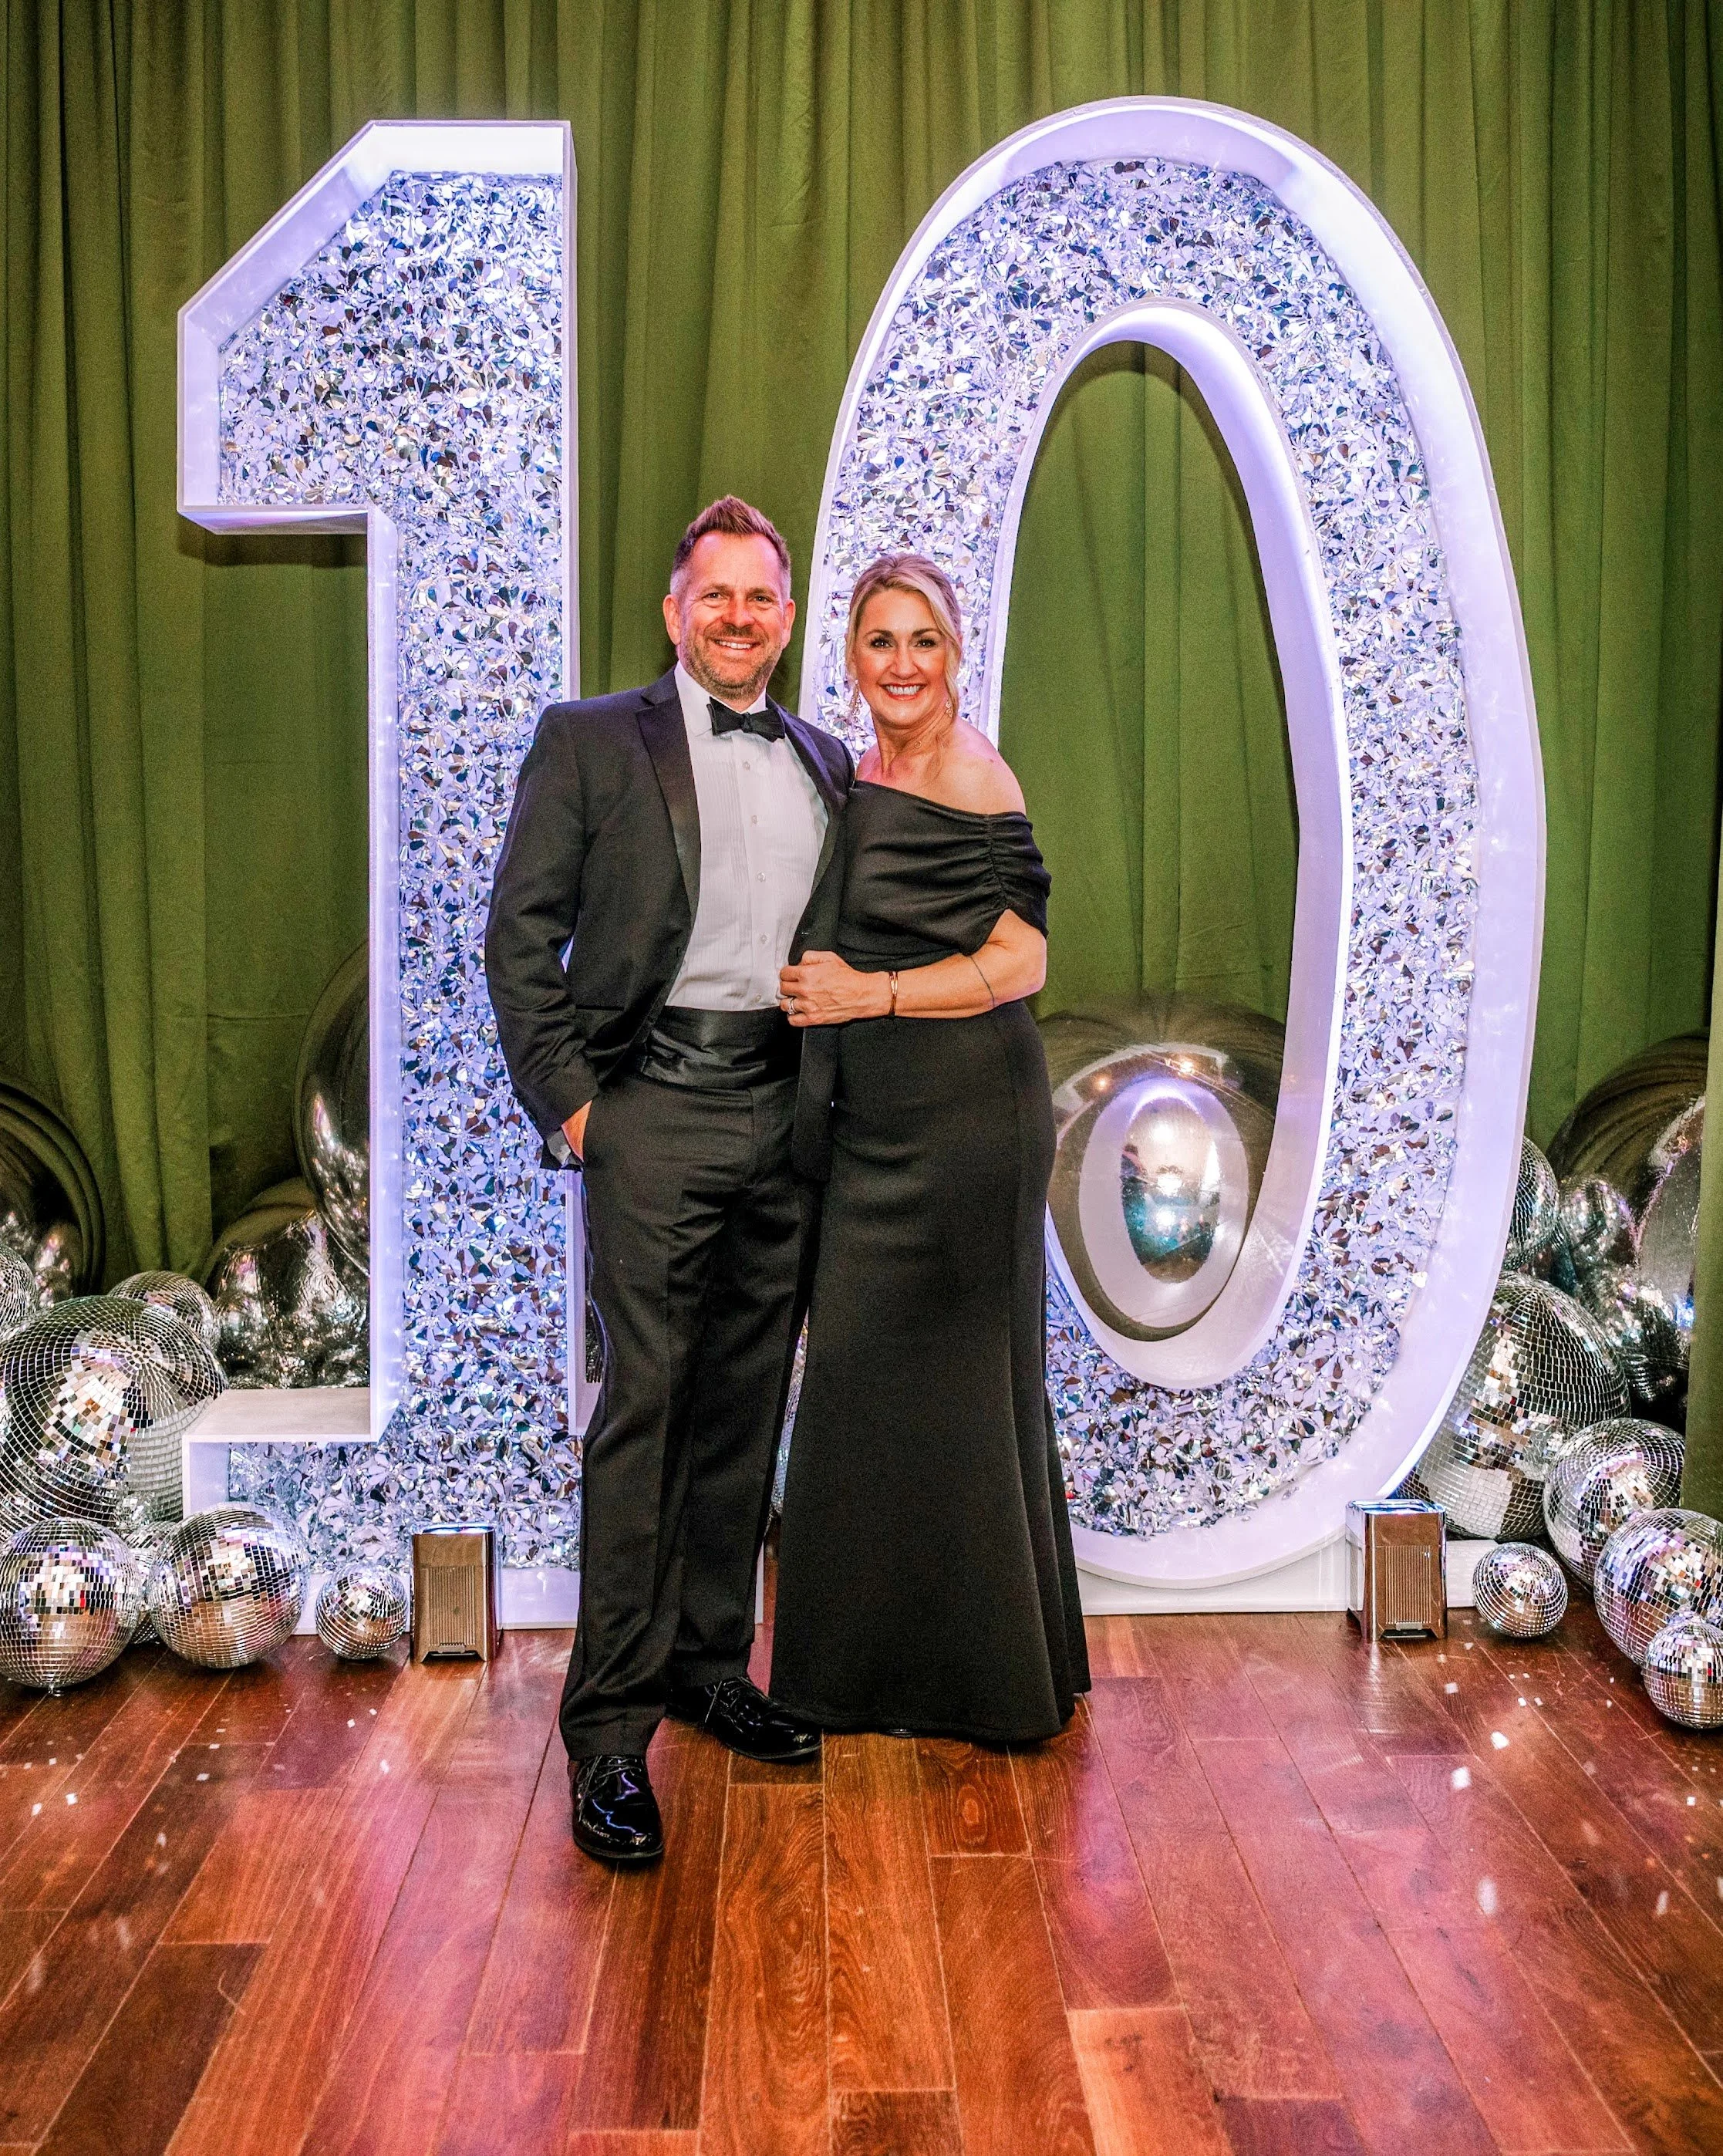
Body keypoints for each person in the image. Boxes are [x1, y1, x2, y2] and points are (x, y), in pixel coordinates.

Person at [484, 497, 851, 1863]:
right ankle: (607, 1737)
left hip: (782, 1114)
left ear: (788, 616)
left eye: (761, 599)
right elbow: (520, 938)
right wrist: (579, 1112)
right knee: (642, 1416)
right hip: (649, 1113)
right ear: (674, 610)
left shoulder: (827, 759)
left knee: (743, 1405)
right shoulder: (589, 741)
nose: (739, 619)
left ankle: (707, 1668)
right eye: (717, 597)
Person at [770, 554, 1089, 1743]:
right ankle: (853, 1677)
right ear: (849, 659)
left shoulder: (973, 770)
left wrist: (874, 996)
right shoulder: (855, 771)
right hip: (873, 1130)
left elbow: (1023, 960)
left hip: (967, 1125)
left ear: (956, 656)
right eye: (880, 642)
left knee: (958, 1393)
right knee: (855, 1383)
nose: (902, 664)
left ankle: (985, 1684)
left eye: (924, 642)